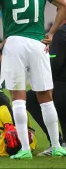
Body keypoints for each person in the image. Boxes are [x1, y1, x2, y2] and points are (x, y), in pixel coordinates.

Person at [0, 0, 66, 159]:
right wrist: (51, 33)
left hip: (14, 43)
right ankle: (56, 146)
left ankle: (25, 149)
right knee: (46, 96)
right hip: (38, 43)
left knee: (18, 97)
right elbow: (63, 5)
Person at [26, 20, 66, 156]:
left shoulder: (61, 32)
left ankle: (57, 142)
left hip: (61, 83)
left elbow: (56, 62)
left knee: (32, 98)